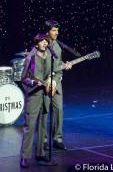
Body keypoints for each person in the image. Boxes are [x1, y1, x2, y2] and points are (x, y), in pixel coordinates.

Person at [20, 34, 62, 168]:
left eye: (46, 41)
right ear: (36, 43)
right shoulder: (31, 58)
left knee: (43, 125)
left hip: (46, 95)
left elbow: (57, 71)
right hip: (34, 96)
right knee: (30, 126)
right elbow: (24, 78)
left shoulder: (50, 55)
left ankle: (40, 153)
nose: (45, 43)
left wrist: (53, 81)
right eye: (42, 41)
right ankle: (24, 157)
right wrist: (33, 82)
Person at [43, 20, 72, 150]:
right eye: (54, 30)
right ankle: (43, 140)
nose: (56, 33)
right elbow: (36, 67)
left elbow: (58, 66)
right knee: (44, 112)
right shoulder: (41, 45)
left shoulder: (58, 47)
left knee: (59, 110)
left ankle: (57, 139)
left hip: (56, 84)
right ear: (47, 32)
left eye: (57, 30)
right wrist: (46, 80)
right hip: (44, 84)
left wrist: (64, 68)